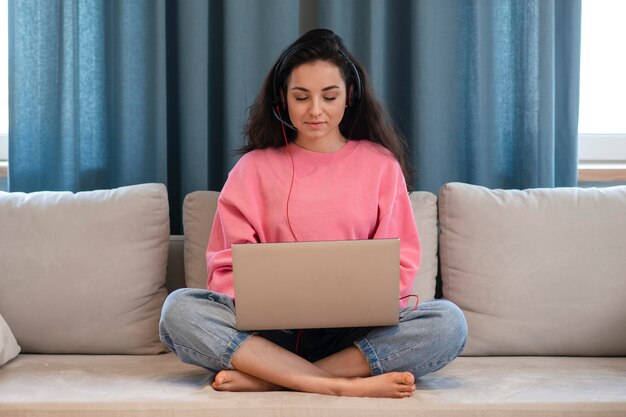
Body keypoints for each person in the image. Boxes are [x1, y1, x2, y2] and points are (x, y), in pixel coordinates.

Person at [159, 28, 467, 399]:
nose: (315, 110)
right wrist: (266, 304)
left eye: (329, 96)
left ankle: (276, 378)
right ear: (281, 101)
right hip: (268, 335)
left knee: (449, 323)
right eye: (301, 97)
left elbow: (399, 265)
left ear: (350, 96)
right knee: (179, 311)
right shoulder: (252, 169)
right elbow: (225, 270)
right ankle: (334, 385)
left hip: (352, 336)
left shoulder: (380, 166)